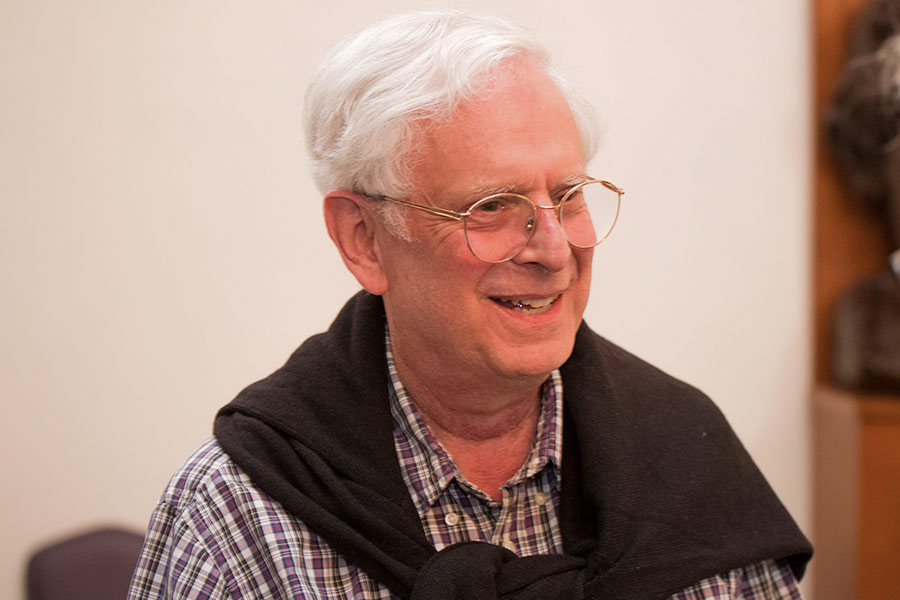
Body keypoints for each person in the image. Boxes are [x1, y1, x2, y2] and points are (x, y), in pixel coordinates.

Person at [128, 10, 812, 599]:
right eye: (492, 207)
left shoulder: (686, 456)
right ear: (363, 239)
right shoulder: (238, 513)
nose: (553, 248)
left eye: (568, 195)